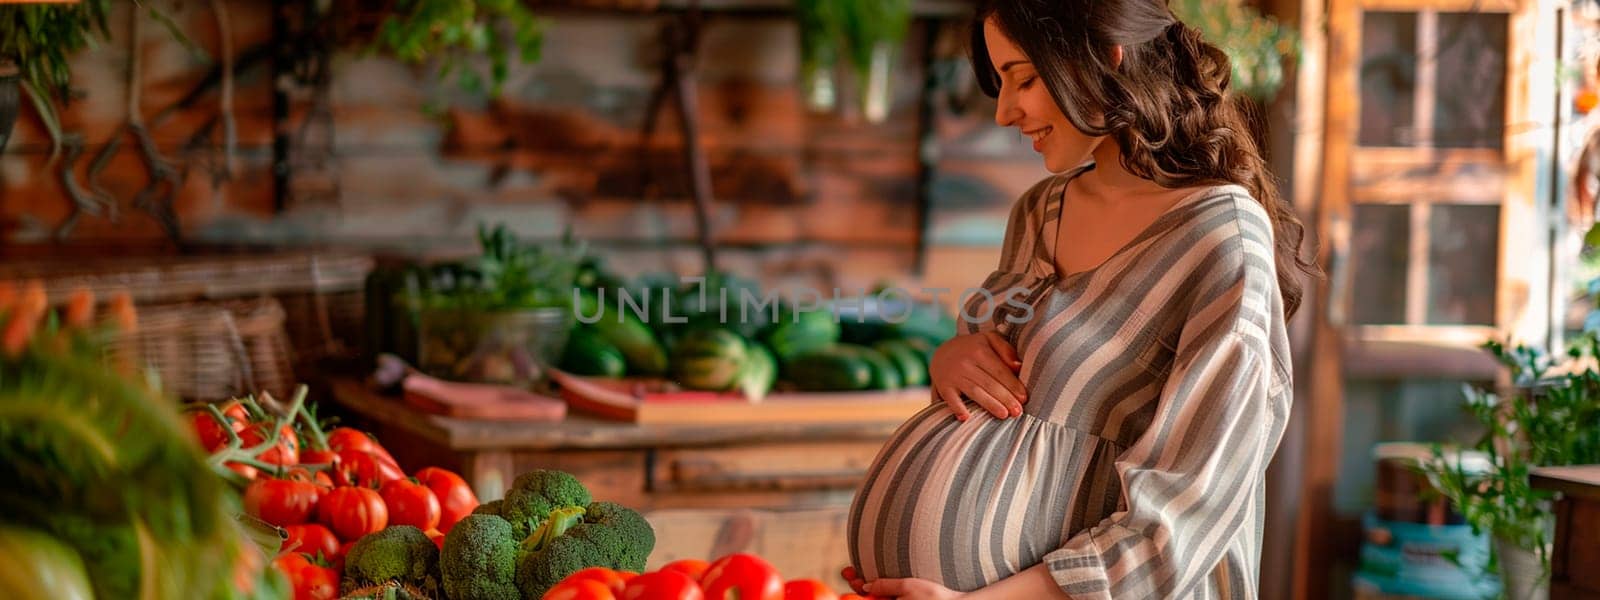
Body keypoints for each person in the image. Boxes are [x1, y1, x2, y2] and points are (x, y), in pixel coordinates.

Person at [841, 0, 1317, 598]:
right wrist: (952, 361)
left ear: (1105, 57)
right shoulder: (1040, 211)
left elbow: (1190, 507)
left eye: (1025, 78)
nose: (1004, 110)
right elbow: (1017, 387)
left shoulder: (1221, 238)